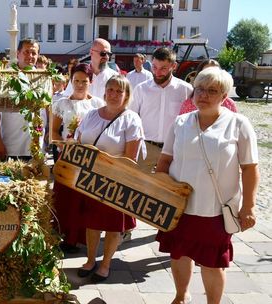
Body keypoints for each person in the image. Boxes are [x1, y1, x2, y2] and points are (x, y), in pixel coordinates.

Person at [155, 67, 259, 304]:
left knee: (212, 262)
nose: (203, 95)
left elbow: (250, 168)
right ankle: (181, 296)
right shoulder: (180, 122)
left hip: (215, 211)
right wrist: (159, 193)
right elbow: (165, 160)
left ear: (224, 96)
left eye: (212, 90)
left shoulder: (238, 124)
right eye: (199, 89)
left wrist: (249, 207)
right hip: (179, 207)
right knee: (179, 254)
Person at [74, 75, 145, 282]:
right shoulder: (92, 115)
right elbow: (79, 142)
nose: (114, 95)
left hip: (116, 181)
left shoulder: (131, 119)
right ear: (104, 92)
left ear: (126, 95)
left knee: (113, 227)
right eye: (110, 90)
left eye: (119, 91)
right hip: (90, 179)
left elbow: (131, 158)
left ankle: (105, 264)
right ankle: (90, 260)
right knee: (91, 223)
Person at [52, 63, 104, 253]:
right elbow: (54, 132)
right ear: (70, 81)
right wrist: (64, 145)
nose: (80, 85)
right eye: (76, 81)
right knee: (65, 198)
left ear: (91, 82)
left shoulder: (98, 104)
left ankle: (81, 237)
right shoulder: (62, 103)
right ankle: (63, 235)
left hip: (89, 157)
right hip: (67, 156)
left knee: (84, 200)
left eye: (84, 81)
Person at [130, 47, 193, 173]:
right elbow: (131, 119)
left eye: (163, 68)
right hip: (146, 150)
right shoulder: (141, 89)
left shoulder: (186, 90)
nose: (157, 73)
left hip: (174, 151)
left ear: (174, 66)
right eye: (154, 67)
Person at [0, 38, 41, 160]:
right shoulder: (4, 77)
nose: (30, 56)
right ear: (18, 53)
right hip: (9, 144)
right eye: (26, 52)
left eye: (34, 53)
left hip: (34, 145)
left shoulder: (42, 77)